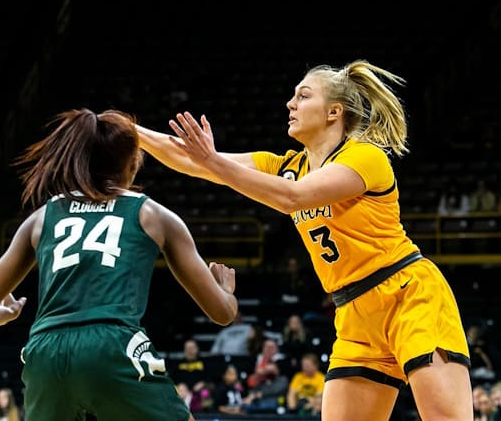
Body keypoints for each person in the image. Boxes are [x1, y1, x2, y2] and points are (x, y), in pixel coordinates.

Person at [136, 59, 473, 420]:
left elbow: (292, 197)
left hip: (408, 295)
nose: (290, 104)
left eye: (303, 95)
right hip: (354, 312)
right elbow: (193, 162)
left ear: (333, 112)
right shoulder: (287, 166)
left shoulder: (365, 156)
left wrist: (213, 161)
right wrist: (131, 131)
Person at [0, 108, 238, 421]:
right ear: (133, 162)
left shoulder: (43, 215)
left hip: (45, 351)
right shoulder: (152, 214)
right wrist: (225, 290)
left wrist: (2, 315)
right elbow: (222, 313)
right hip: (111, 345)